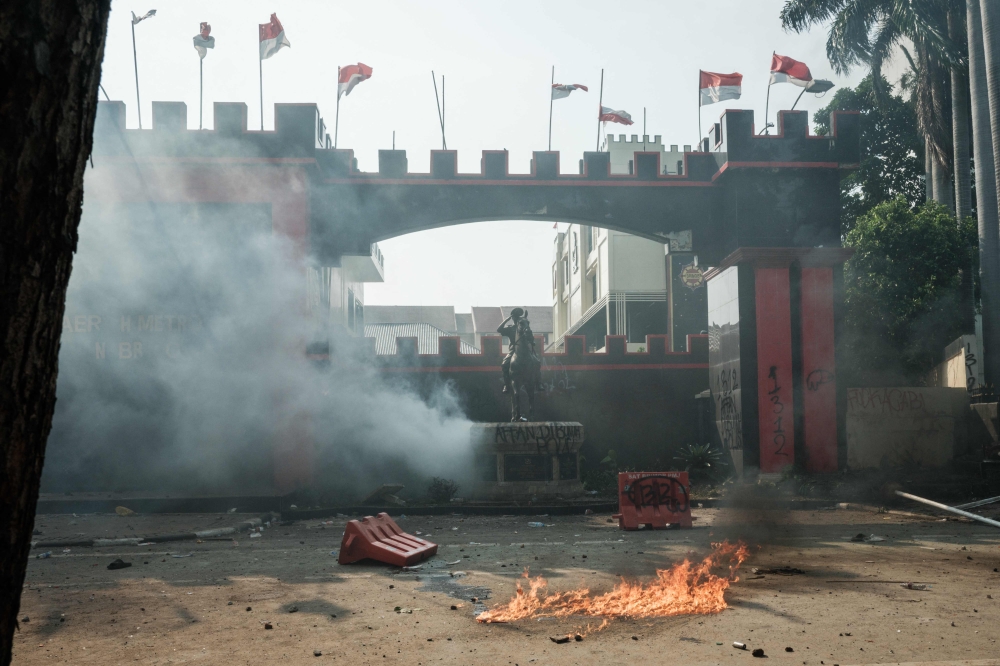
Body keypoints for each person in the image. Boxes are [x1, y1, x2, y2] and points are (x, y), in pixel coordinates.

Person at [497, 307, 542, 393]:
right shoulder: (510, 328)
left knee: (537, 362)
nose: (516, 319)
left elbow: (530, 337)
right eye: (514, 317)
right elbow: (499, 329)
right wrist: (506, 320)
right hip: (513, 350)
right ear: (512, 318)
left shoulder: (524, 327)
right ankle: (507, 385)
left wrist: (532, 341)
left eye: (517, 317)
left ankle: (539, 383)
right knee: (504, 364)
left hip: (525, 350)